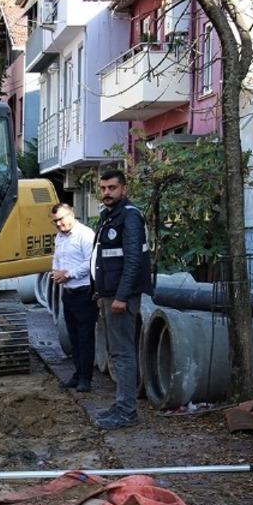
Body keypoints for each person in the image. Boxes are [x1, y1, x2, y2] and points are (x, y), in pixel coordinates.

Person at [90, 169, 152, 429]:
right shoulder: (109, 216)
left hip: (120, 298)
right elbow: (102, 258)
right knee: (117, 354)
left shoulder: (130, 217)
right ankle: (121, 405)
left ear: (124, 189)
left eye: (112, 188)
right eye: (103, 188)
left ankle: (127, 411)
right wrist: (99, 292)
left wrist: (121, 297)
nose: (107, 193)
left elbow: (133, 261)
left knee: (123, 354)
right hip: (108, 295)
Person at [49, 203, 97, 392]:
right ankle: (78, 373)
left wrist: (68, 274)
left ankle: (86, 378)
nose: (59, 224)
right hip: (67, 293)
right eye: (55, 221)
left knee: (85, 337)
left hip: (84, 292)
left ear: (72, 214)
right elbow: (57, 258)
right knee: (74, 337)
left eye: (62, 219)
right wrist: (55, 272)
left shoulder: (85, 235)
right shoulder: (60, 237)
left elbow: (91, 262)